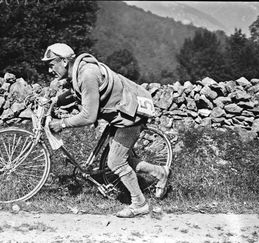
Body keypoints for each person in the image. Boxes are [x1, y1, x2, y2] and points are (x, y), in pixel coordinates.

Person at [41, 43, 170, 218]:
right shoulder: (78, 71)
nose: (50, 70)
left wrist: (62, 123)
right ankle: (160, 172)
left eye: (51, 64)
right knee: (124, 159)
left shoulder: (87, 74)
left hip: (130, 117)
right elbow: (77, 93)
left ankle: (139, 204)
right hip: (121, 113)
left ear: (64, 61)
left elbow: (88, 116)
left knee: (116, 162)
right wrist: (56, 100)